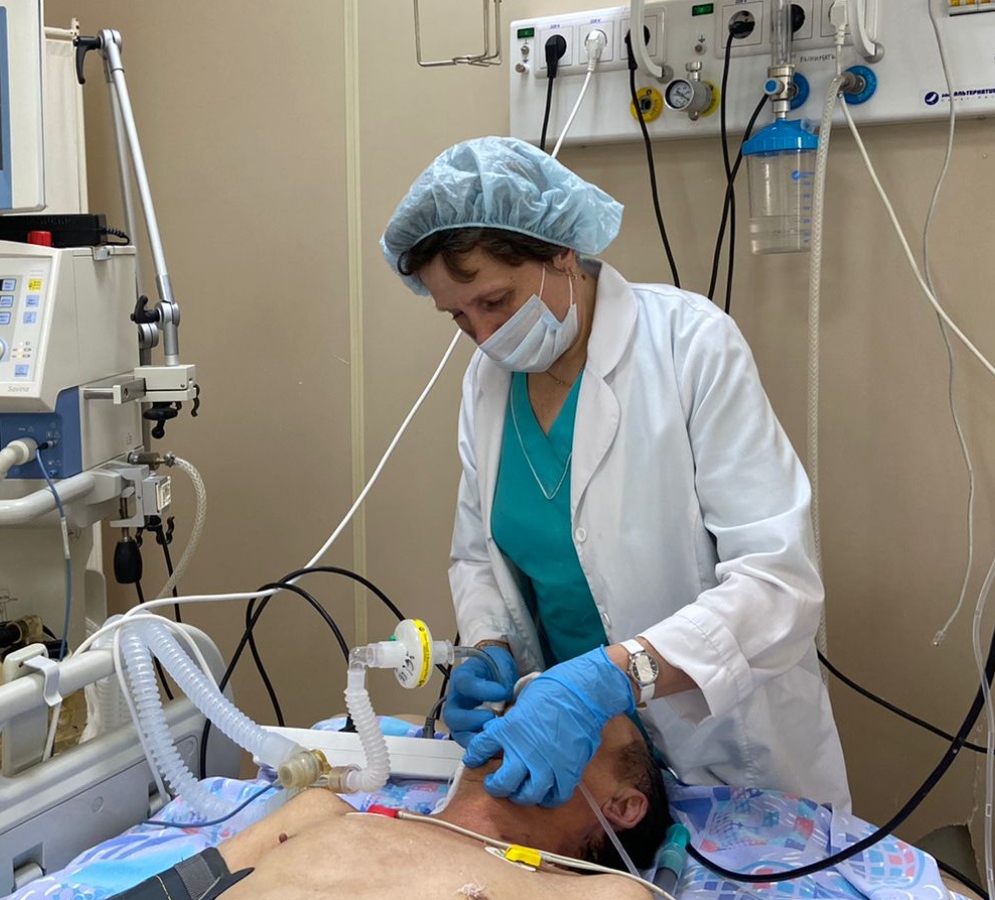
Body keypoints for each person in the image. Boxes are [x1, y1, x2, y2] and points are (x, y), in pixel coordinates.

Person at [379, 136, 849, 811]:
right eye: (458, 316)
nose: (483, 336)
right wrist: (487, 647)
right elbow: (478, 554)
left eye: (496, 300)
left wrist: (614, 677)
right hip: (579, 765)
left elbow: (779, 586)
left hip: (724, 754)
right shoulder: (487, 383)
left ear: (560, 253)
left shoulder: (690, 344)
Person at [118, 715, 672, 900]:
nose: (521, 721)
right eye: (522, 708)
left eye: (571, 725)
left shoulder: (602, 894)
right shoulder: (321, 811)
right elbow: (164, 893)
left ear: (624, 807)